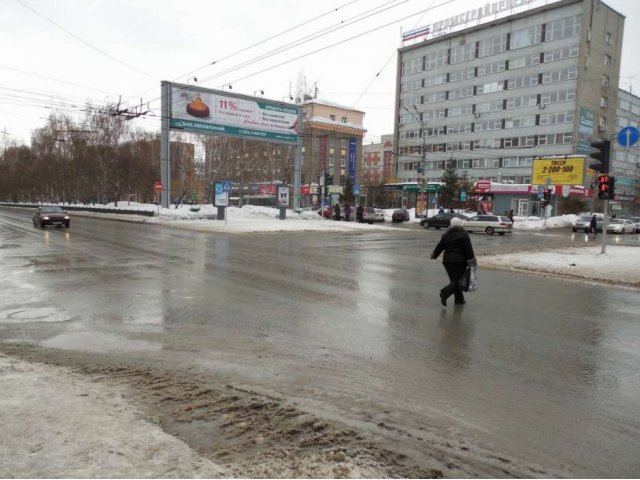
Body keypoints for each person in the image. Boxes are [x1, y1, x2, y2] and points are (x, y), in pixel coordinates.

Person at [431, 225, 476, 307]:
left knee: (454, 281)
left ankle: (459, 300)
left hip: (447, 261)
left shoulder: (446, 235)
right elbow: (468, 249)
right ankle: (444, 293)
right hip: (459, 262)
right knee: (457, 281)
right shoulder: (464, 235)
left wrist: (434, 255)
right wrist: (472, 262)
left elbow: (440, 246)